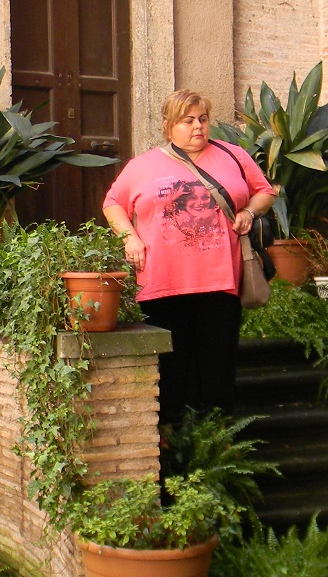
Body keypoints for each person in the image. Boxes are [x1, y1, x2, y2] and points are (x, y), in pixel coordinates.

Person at [101, 88, 275, 424]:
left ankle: (216, 442)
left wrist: (250, 213)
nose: (198, 127)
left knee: (218, 366)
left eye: (203, 119)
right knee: (171, 369)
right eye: (188, 120)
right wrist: (130, 238)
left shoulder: (233, 155)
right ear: (169, 126)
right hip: (162, 282)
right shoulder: (142, 166)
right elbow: (113, 203)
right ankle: (171, 444)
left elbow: (264, 191)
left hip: (220, 280)